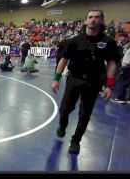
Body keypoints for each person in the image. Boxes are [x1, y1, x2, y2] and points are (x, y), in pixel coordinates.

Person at [51, 9, 119, 154]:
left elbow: (112, 63)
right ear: (85, 21)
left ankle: (75, 141)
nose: (93, 19)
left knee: (85, 113)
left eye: (97, 17)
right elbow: (64, 60)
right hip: (74, 79)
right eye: (90, 17)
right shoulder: (74, 41)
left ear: (101, 20)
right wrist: (56, 79)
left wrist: (109, 85)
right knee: (64, 109)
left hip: (94, 82)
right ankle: (62, 126)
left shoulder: (108, 42)